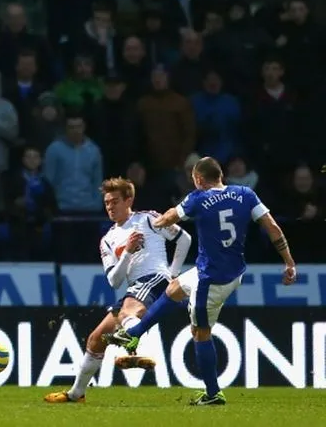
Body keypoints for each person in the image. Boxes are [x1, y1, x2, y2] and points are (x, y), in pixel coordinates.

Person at [105, 157, 298, 406]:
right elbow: (272, 228)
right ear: (221, 176)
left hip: (211, 280)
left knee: (200, 333)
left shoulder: (198, 197)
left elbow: (168, 219)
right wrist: (289, 262)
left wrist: (148, 222)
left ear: (198, 179)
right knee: (174, 288)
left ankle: (213, 393)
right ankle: (134, 333)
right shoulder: (246, 194)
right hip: (231, 270)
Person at [43, 177, 190, 404]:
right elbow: (114, 280)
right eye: (107, 203)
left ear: (128, 199)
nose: (110, 207)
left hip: (156, 279)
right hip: (134, 287)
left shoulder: (149, 219)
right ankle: (76, 394)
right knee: (96, 339)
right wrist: (128, 252)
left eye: (115, 201)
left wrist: (173, 274)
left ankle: (138, 345)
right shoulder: (108, 240)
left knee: (126, 313)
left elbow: (184, 239)